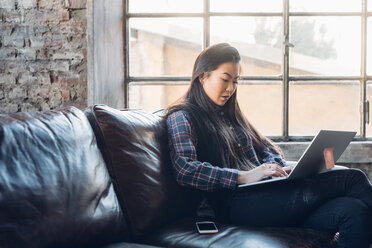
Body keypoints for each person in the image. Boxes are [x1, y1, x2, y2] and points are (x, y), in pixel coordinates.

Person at [165, 43, 372, 247]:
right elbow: (185, 169)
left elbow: (267, 149)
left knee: (353, 212)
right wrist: (243, 176)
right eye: (225, 79)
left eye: (236, 81)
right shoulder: (182, 116)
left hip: (266, 196)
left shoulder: (231, 115)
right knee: (352, 178)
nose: (230, 88)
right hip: (234, 204)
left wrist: (275, 168)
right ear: (203, 76)